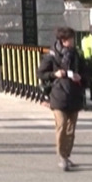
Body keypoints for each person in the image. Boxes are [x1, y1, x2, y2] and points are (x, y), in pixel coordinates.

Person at [37, 26, 84, 171]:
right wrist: (54, 74)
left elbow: (86, 72)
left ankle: (67, 154)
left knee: (71, 128)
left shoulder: (76, 54)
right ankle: (62, 156)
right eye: (70, 39)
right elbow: (40, 73)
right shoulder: (51, 55)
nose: (72, 42)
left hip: (74, 93)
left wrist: (80, 76)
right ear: (63, 41)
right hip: (58, 94)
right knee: (62, 124)